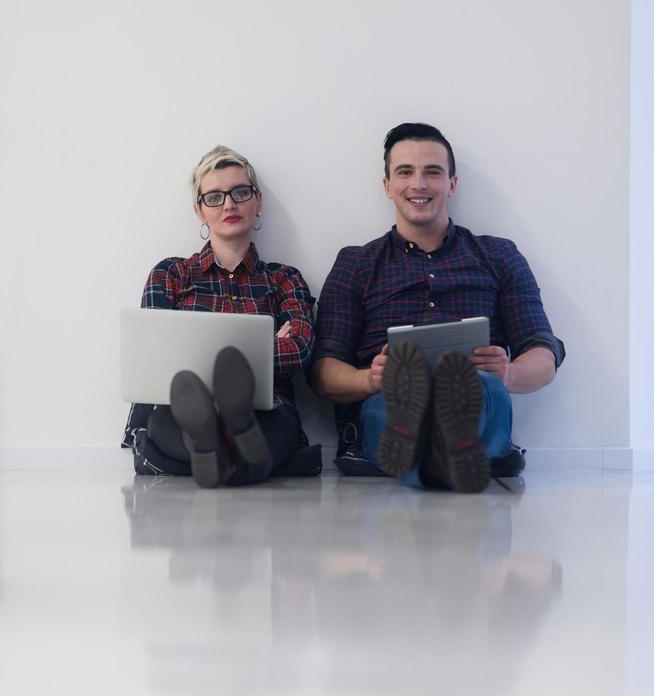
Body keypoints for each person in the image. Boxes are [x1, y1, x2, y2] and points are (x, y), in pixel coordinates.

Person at [311, 122, 565, 493]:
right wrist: (369, 379)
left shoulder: (499, 255)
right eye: (405, 172)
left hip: (477, 391)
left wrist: (508, 373)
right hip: (390, 398)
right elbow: (321, 372)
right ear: (387, 186)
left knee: (483, 390)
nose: (419, 184)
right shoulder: (356, 262)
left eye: (433, 172)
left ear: (452, 183)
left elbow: (544, 351)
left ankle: (435, 457)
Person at [122, 144, 320, 487]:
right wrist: (263, 349)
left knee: (277, 427)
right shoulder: (170, 274)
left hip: (267, 408)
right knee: (165, 423)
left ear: (258, 202)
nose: (229, 204)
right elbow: (155, 360)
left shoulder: (283, 278)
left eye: (240, 192)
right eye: (214, 197)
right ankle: (227, 452)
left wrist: (208, 368)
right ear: (200, 210)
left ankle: (211, 452)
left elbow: (300, 349)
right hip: (182, 408)